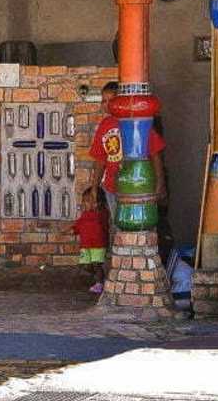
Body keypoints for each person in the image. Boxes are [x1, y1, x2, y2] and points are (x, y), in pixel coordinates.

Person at [88, 81, 166, 228]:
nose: (106, 104)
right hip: (111, 187)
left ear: (119, 101)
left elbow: (155, 153)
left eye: (110, 100)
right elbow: (100, 159)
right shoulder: (105, 125)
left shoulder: (136, 121)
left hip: (138, 185)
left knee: (141, 224)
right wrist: (94, 187)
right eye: (103, 101)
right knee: (119, 226)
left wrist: (160, 182)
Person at [72, 187, 108, 293]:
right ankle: (100, 278)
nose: (83, 204)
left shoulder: (102, 214)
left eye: (87, 201)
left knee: (97, 264)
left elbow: (105, 226)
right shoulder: (84, 215)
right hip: (85, 246)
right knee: (86, 266)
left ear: (97, 203)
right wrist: (71, 230)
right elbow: (78, 225)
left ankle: (99, 283)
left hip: (98, 245)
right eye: (83, 201)